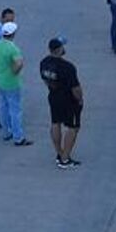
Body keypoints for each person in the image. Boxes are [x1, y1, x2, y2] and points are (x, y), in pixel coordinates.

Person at [39, 37, 82, 168]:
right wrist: (79, 99)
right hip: (69, 100)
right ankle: (65, 158)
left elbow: (45, 80)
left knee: (55, 123)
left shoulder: (44, 62)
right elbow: (76, 88)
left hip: (53, 96)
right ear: (59, 49)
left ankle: (59, 152)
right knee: (73, 127)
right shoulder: (68, 67)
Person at [0, 21, 31, 145]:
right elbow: (19, 63)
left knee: (3, 107)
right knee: (15, 110)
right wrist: (15, 71)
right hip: (12, 83)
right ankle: (18, 137)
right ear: (13, 34)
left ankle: (6, 132)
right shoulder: (13, 48)